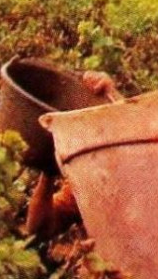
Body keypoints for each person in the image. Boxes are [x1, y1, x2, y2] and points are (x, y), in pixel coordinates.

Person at [24, 71, 122, 240]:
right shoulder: (91, 179)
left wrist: (113, 98)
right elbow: (38, 227)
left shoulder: (155, 162)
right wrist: (48, 171)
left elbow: (139, 128)